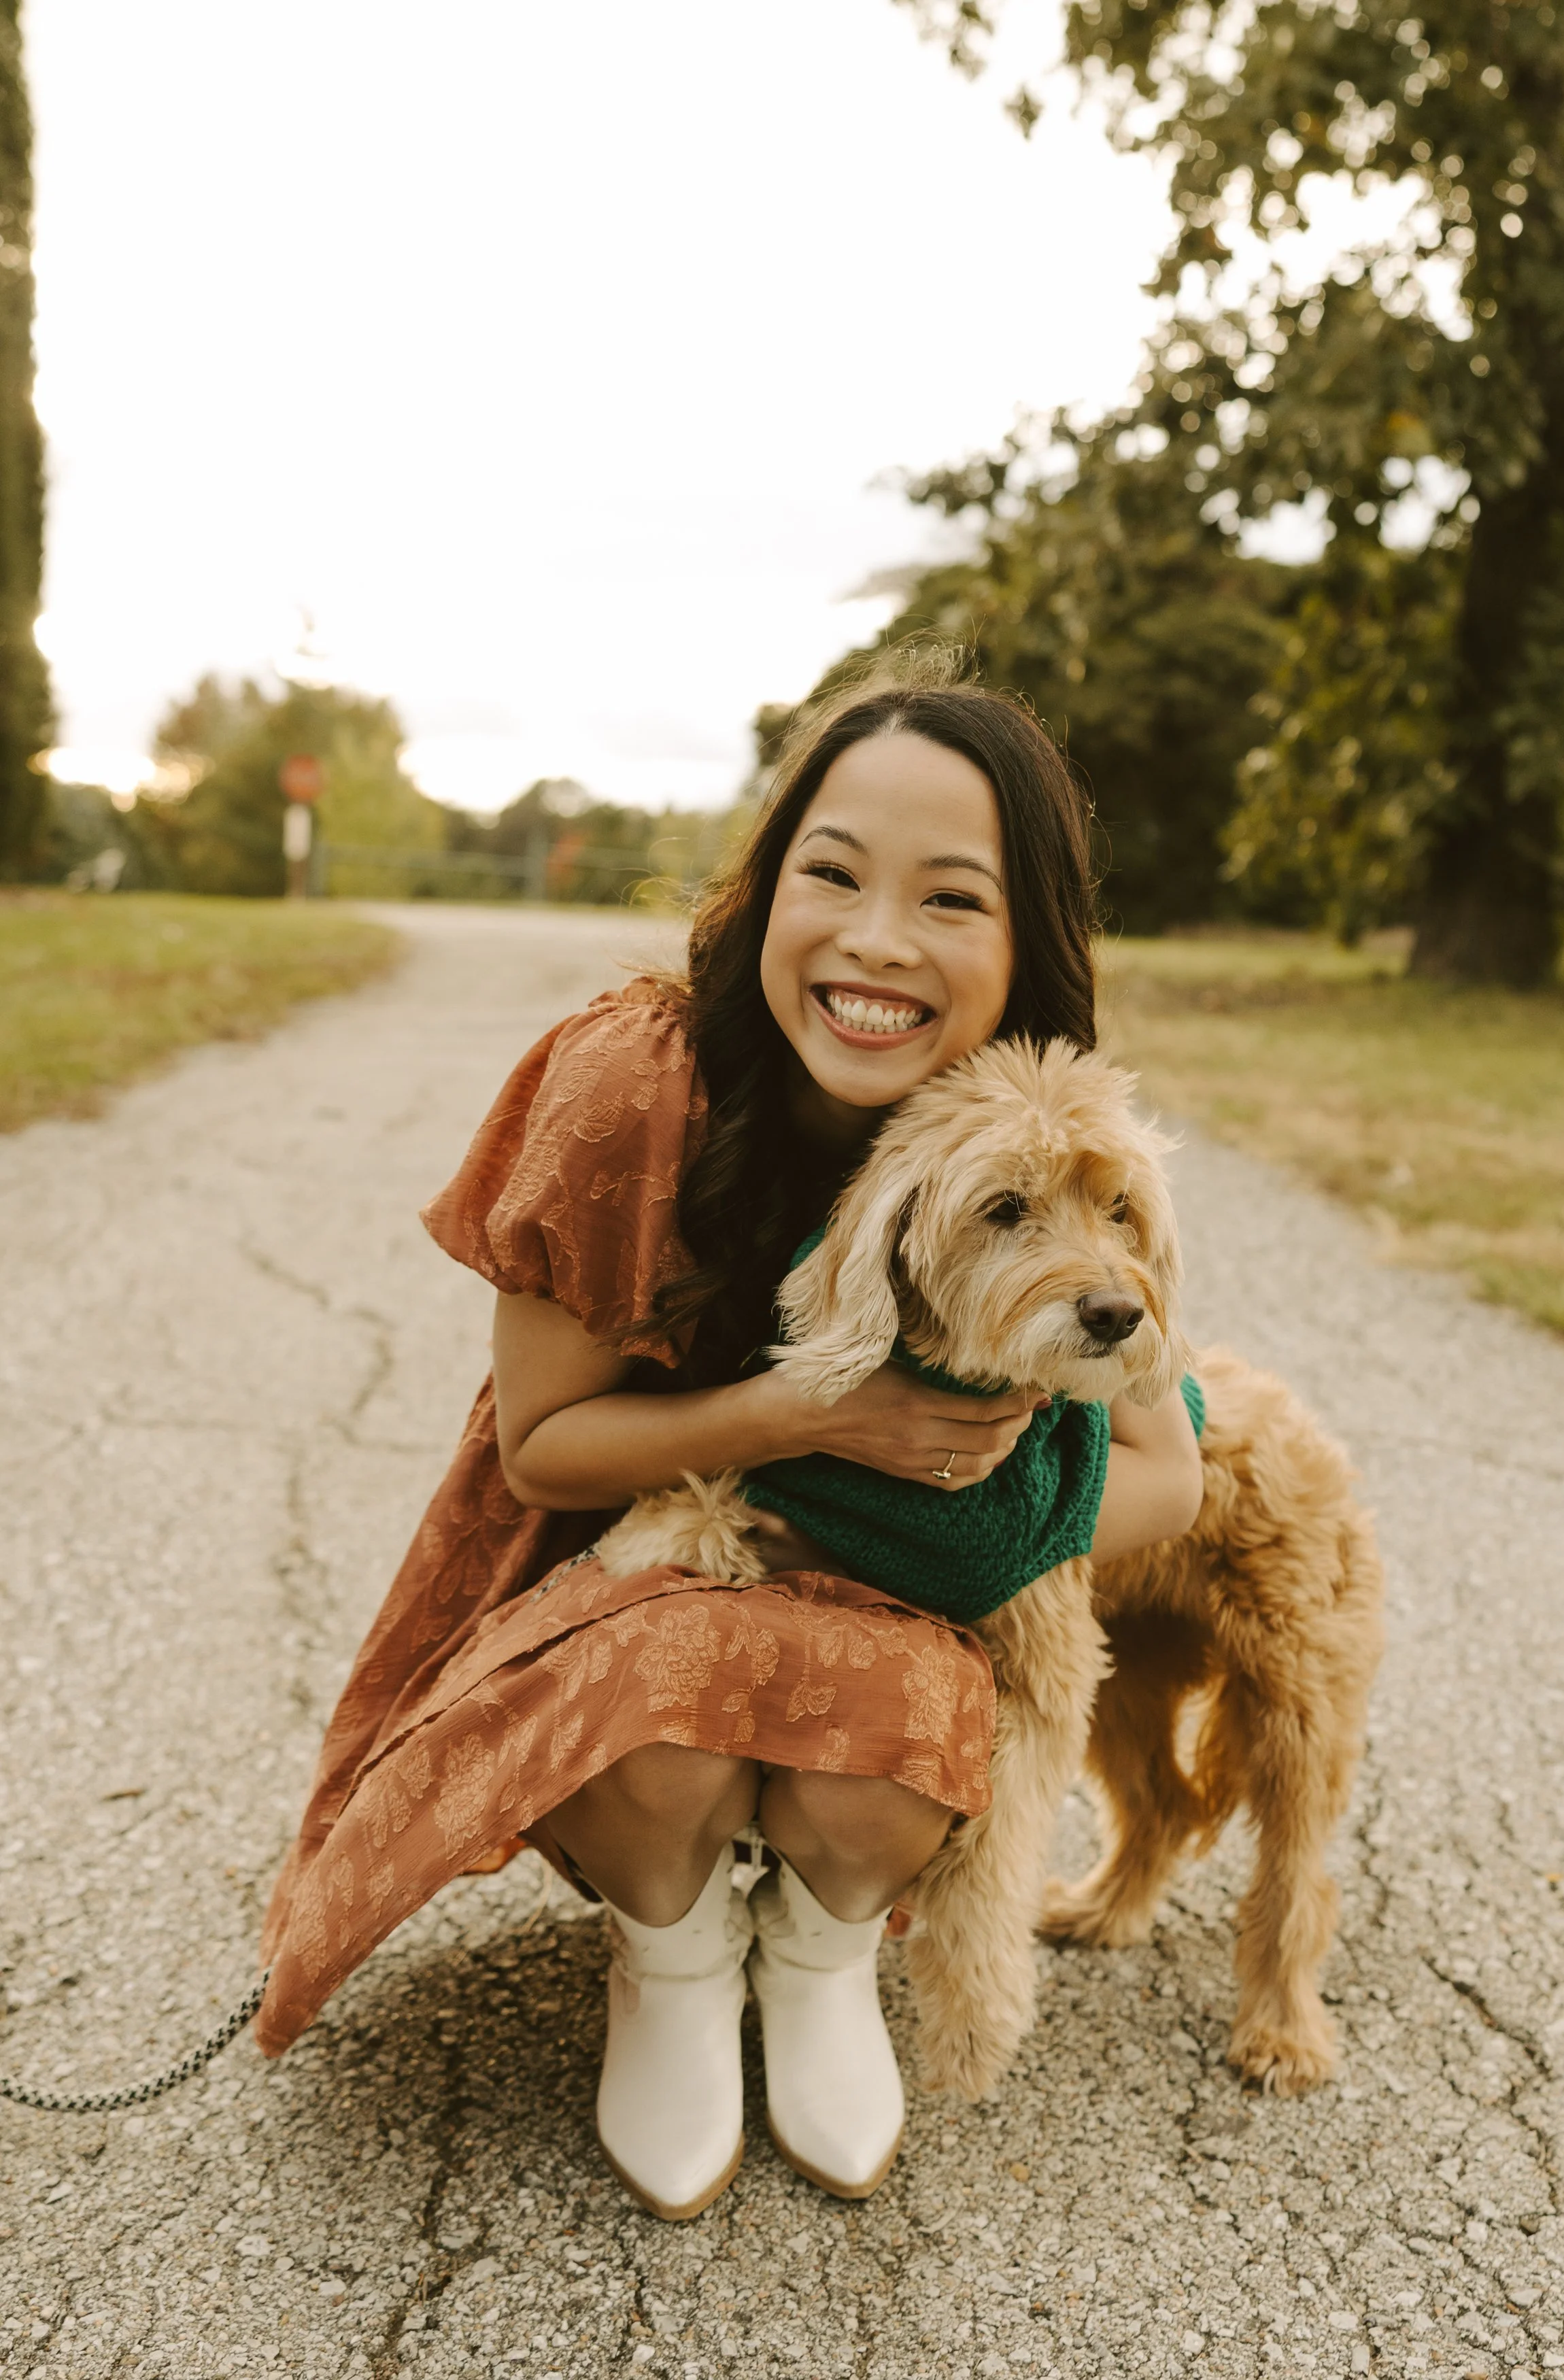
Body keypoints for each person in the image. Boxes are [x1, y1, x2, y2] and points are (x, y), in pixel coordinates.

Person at [256, 663, 1204, 2220]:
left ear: (1026, 939)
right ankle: (673, 1956)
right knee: (670, 1711)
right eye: (829, 874)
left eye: (949, 900)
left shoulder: (1037, 1128)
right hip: (636, 1535)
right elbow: (542, 1450)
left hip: (884, 1585)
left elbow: (1161, 1463)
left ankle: (821, 1957)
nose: (876, 941)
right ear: (765, 887)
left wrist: (956, 1523)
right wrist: (808, 1418)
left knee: (893, 1729)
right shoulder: (633, 1079)